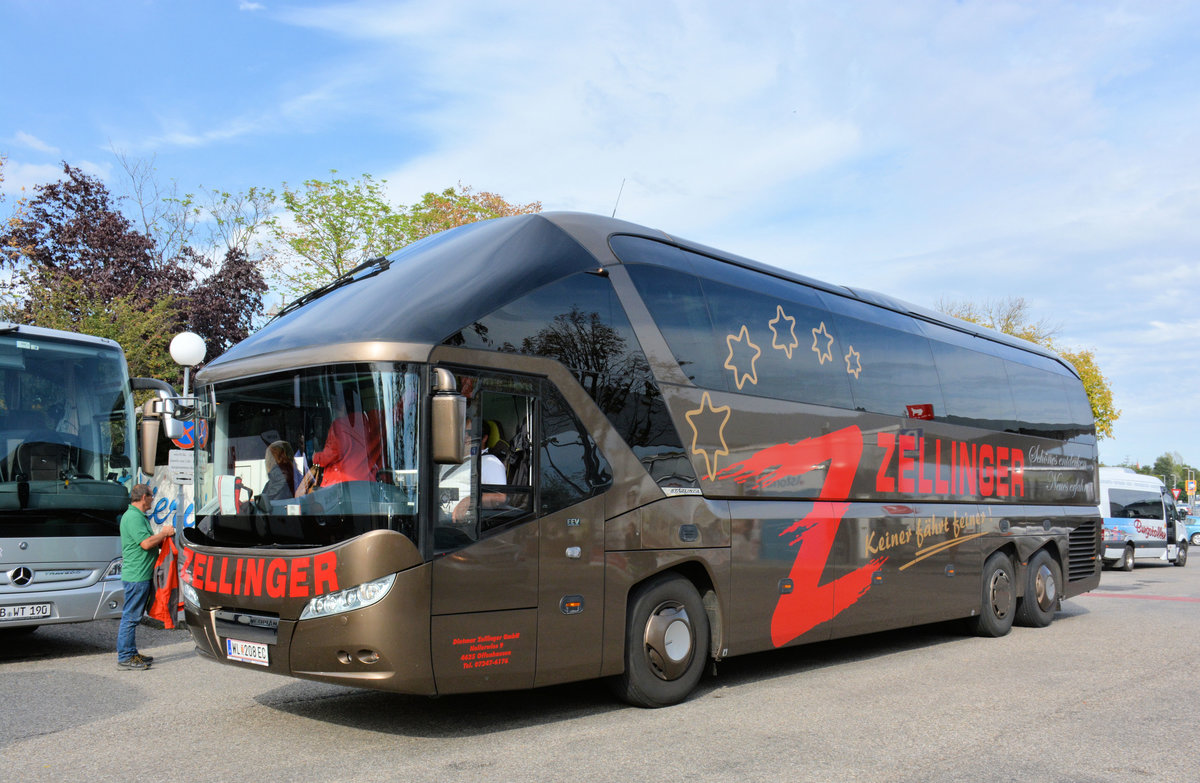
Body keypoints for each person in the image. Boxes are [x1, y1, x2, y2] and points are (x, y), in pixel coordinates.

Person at [116, 484, 174, 670]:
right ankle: (125, 657)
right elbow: (146, 544)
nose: (152, 500)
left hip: (139, 575)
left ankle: (131, 653)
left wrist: (163, 540)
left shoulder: (138, 516)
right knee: (131, 617)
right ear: (143, 497)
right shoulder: (133, 517)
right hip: (137, 576)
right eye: (151, 496)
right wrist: (163, 534)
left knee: (133, 616)